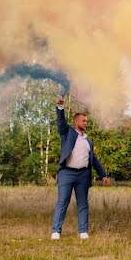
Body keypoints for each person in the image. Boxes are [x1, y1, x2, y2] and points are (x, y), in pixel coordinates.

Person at [51, 95, 109, 241]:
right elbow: (60, 122)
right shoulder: (67, 132)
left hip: (83, 175)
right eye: (84, 120)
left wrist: (103, 175)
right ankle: (56, 231)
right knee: (62, 202)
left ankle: (83, 231)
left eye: (87, 121)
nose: (86, 123)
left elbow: (93, 160)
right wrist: (60, 107)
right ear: (76, 122)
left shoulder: (88, 141)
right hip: (66, 173)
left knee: (83, 203)